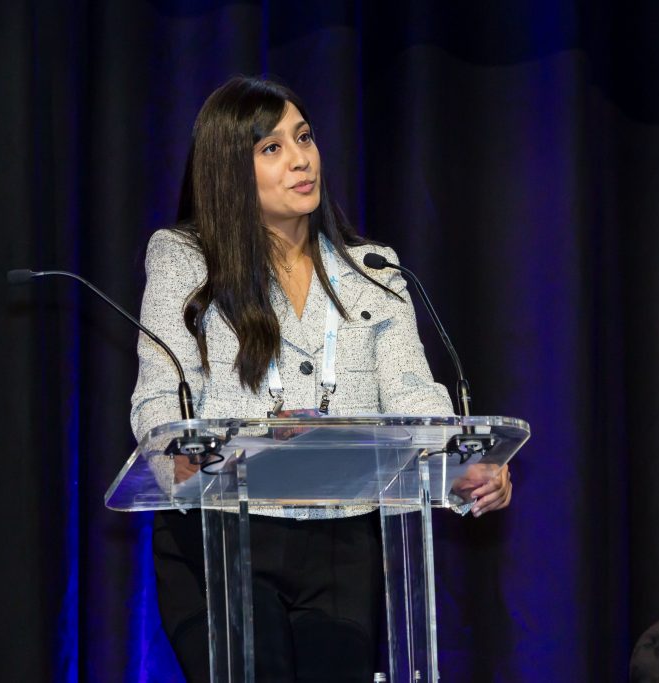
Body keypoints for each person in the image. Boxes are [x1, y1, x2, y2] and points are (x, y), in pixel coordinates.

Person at [130, 76, 512, 683]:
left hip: (344, 541)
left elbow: (414, 396)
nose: (301, 159)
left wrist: (462, 464)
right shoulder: (184, 258)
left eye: (303, 137)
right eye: (272, 147)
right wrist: (175, 456)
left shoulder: (373, 270)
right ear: (230, 168)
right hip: (222, 531)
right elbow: (158, 396)